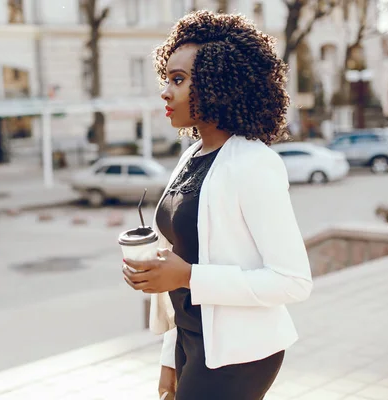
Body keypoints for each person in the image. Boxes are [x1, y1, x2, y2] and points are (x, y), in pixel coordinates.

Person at [122, 11, 313, 400]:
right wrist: (169, 358)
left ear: (217, 84)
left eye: (179, 80)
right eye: (167, 79)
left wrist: (188, 276)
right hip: (192, 340)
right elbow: (179, 267)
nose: (165, 91)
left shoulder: (253, 163)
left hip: (241, 354)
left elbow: (293, 281)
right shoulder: (191, 155)